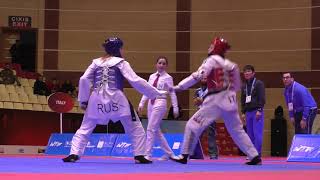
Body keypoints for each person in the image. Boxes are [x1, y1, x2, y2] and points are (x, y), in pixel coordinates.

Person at [62, 37, 167, 164]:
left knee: (86, 126)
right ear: (118, 49)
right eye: (122, 48)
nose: (123, 51)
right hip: (116, 97)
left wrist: (83, 101)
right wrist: (155, 93)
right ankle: (139, 155)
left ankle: (74, 153)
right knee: (134, 126)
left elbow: (83, 79)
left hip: (96, 98)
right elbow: (135, 80)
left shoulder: (95, 62)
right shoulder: (121, 62)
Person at [170, 37, 261, 165]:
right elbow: (236, 77)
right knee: (237, 130)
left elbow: (198, 75)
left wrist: (179, 87)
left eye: (211, 46)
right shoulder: (227, 63)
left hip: (215, 100)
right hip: (230, 100)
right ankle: (254, 156)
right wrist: (232, 91)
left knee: (192, 125)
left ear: (215, 48)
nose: (209, 47)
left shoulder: (211, 60)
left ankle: (184, 155)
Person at [137, 56, 179, 161]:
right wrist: (141, 103)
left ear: (166, 66)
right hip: (151, 103)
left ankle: (148, 155)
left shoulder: (168, 78)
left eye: (164, 63)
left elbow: (172, 93)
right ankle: (169, 153)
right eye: (160, 63)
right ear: (156, 64)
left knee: (150, 129)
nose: (161, 65)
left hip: (161, 102)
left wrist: (175, 107)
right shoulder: (151, 77)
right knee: (156, 131)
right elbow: (147, 90)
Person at [240, 65, 265, 157]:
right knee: (250, 135)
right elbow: (242, 100)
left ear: (253, 73)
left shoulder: (258, 84)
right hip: (248, 112)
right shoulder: (244, 86)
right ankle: (251, 154)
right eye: (245, 71)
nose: (246, 73)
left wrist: (259, 110)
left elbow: (261, 98)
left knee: (257, 133)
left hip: (256, 112)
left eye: (248, 71)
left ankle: (257, 154)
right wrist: (243, 112)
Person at [194, 77, 218, 159]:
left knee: (211, 134)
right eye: (202, 78)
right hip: (200, 114)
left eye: (205, 78)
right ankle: (196, 153)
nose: (204, 80)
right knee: (197, 134)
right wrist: (197, 101)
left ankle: (213, 154)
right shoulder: (197, 90)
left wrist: (203, 101)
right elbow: (195, 102)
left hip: (210, 114)